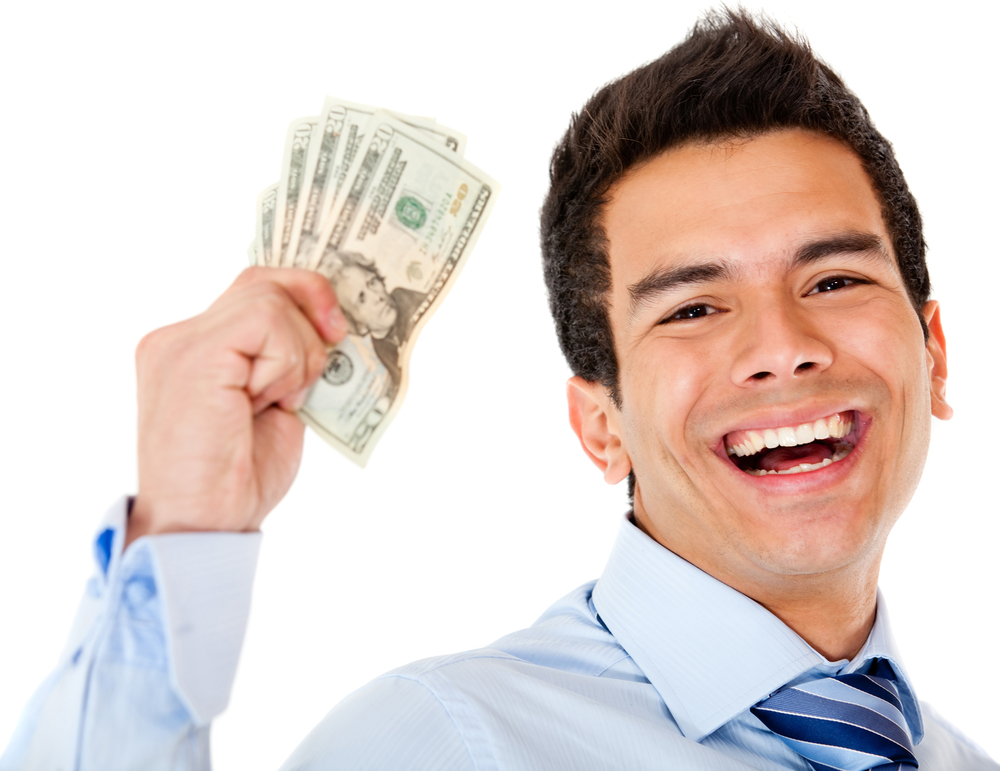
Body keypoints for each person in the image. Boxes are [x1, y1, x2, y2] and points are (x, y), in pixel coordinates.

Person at [2, 9, 996, 770]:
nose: (781, 348)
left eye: (832, 281)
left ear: (934, 352)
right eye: (691, 309)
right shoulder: (447, 744)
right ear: (599, 427)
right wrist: (184, 528)